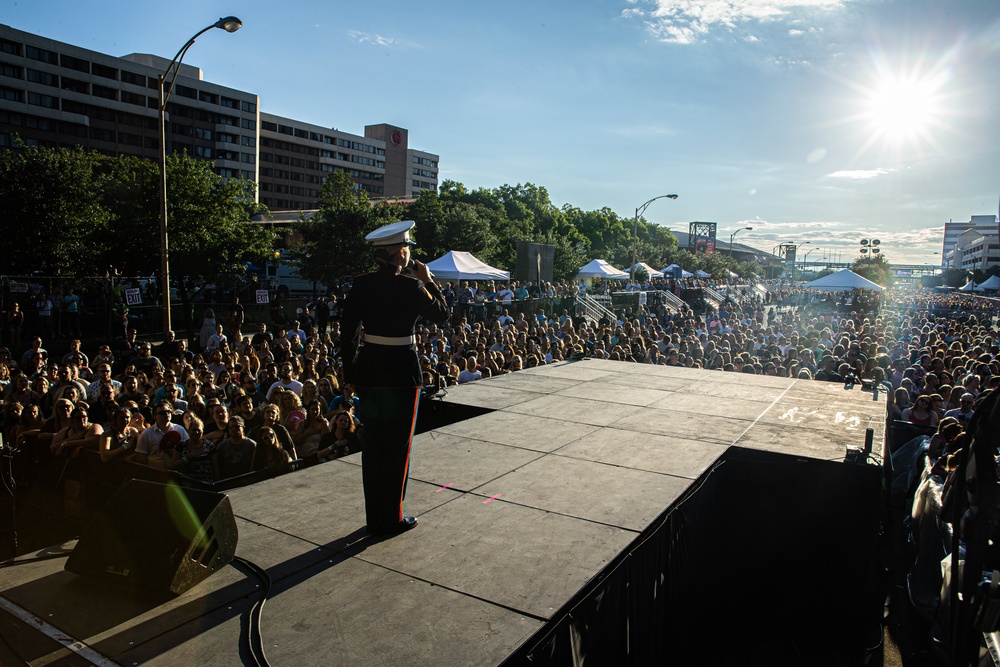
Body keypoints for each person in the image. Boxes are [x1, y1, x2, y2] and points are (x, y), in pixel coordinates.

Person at [340, 220, 450, 535]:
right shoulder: (410, 286)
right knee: (397, 448)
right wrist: (429, 281)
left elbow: (348, 332)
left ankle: (374, 516)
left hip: (371, 372)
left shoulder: (360, 284)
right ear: (399, 254)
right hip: (402, 374)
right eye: (405, 249)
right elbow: (442, 314)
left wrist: (350, 373)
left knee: (373, 446)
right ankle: (391, 517)